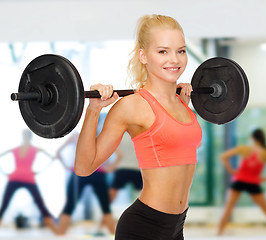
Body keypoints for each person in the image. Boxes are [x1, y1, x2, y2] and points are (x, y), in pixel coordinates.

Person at [75, 14, 202, 240]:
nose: (174, 59)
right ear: (143, 55)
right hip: (144, 227)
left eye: (180, 51)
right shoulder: (132, 106)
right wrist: (94, 109)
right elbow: (84, 167)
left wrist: (185, 102)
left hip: (176, 226)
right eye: (163, 51)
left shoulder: (182, 101)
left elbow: (174, 144)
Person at [217, 128, 266, 236]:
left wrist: (231, 170)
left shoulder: (244, 148)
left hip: (239, 180)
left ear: (252, 138)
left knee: (228, 209)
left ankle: (218, 235)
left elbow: (223, 156)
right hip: (253, 183)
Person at [55, 132, 118, 236]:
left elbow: (58, 152)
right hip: (97, 173)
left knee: (70, 205)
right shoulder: (101, 136)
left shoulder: (76, 136)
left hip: (80, 172)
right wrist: (109, 167)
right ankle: (114, 235)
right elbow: (117, 155)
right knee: (105, 206)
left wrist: (66, 166)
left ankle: (60, 235)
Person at [0, 129, 56, 232]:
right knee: (4, 204)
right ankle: (55, 229)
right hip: (15, 178)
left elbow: (53, 158)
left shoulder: (33, 149)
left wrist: (39, 171)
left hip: (27, 178)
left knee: (40, 204)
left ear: (30, 137)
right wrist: (3, 172)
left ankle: (54, 229)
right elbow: (53, 158)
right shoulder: (17, 149)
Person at [108, 132, 143, 202]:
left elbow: (119, 155)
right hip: (136, 168)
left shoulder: (119, 138)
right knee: (141, 193)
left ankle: (106, 209)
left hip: (122, 168)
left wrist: (111, 167)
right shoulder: (140, 138)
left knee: (113, 190)